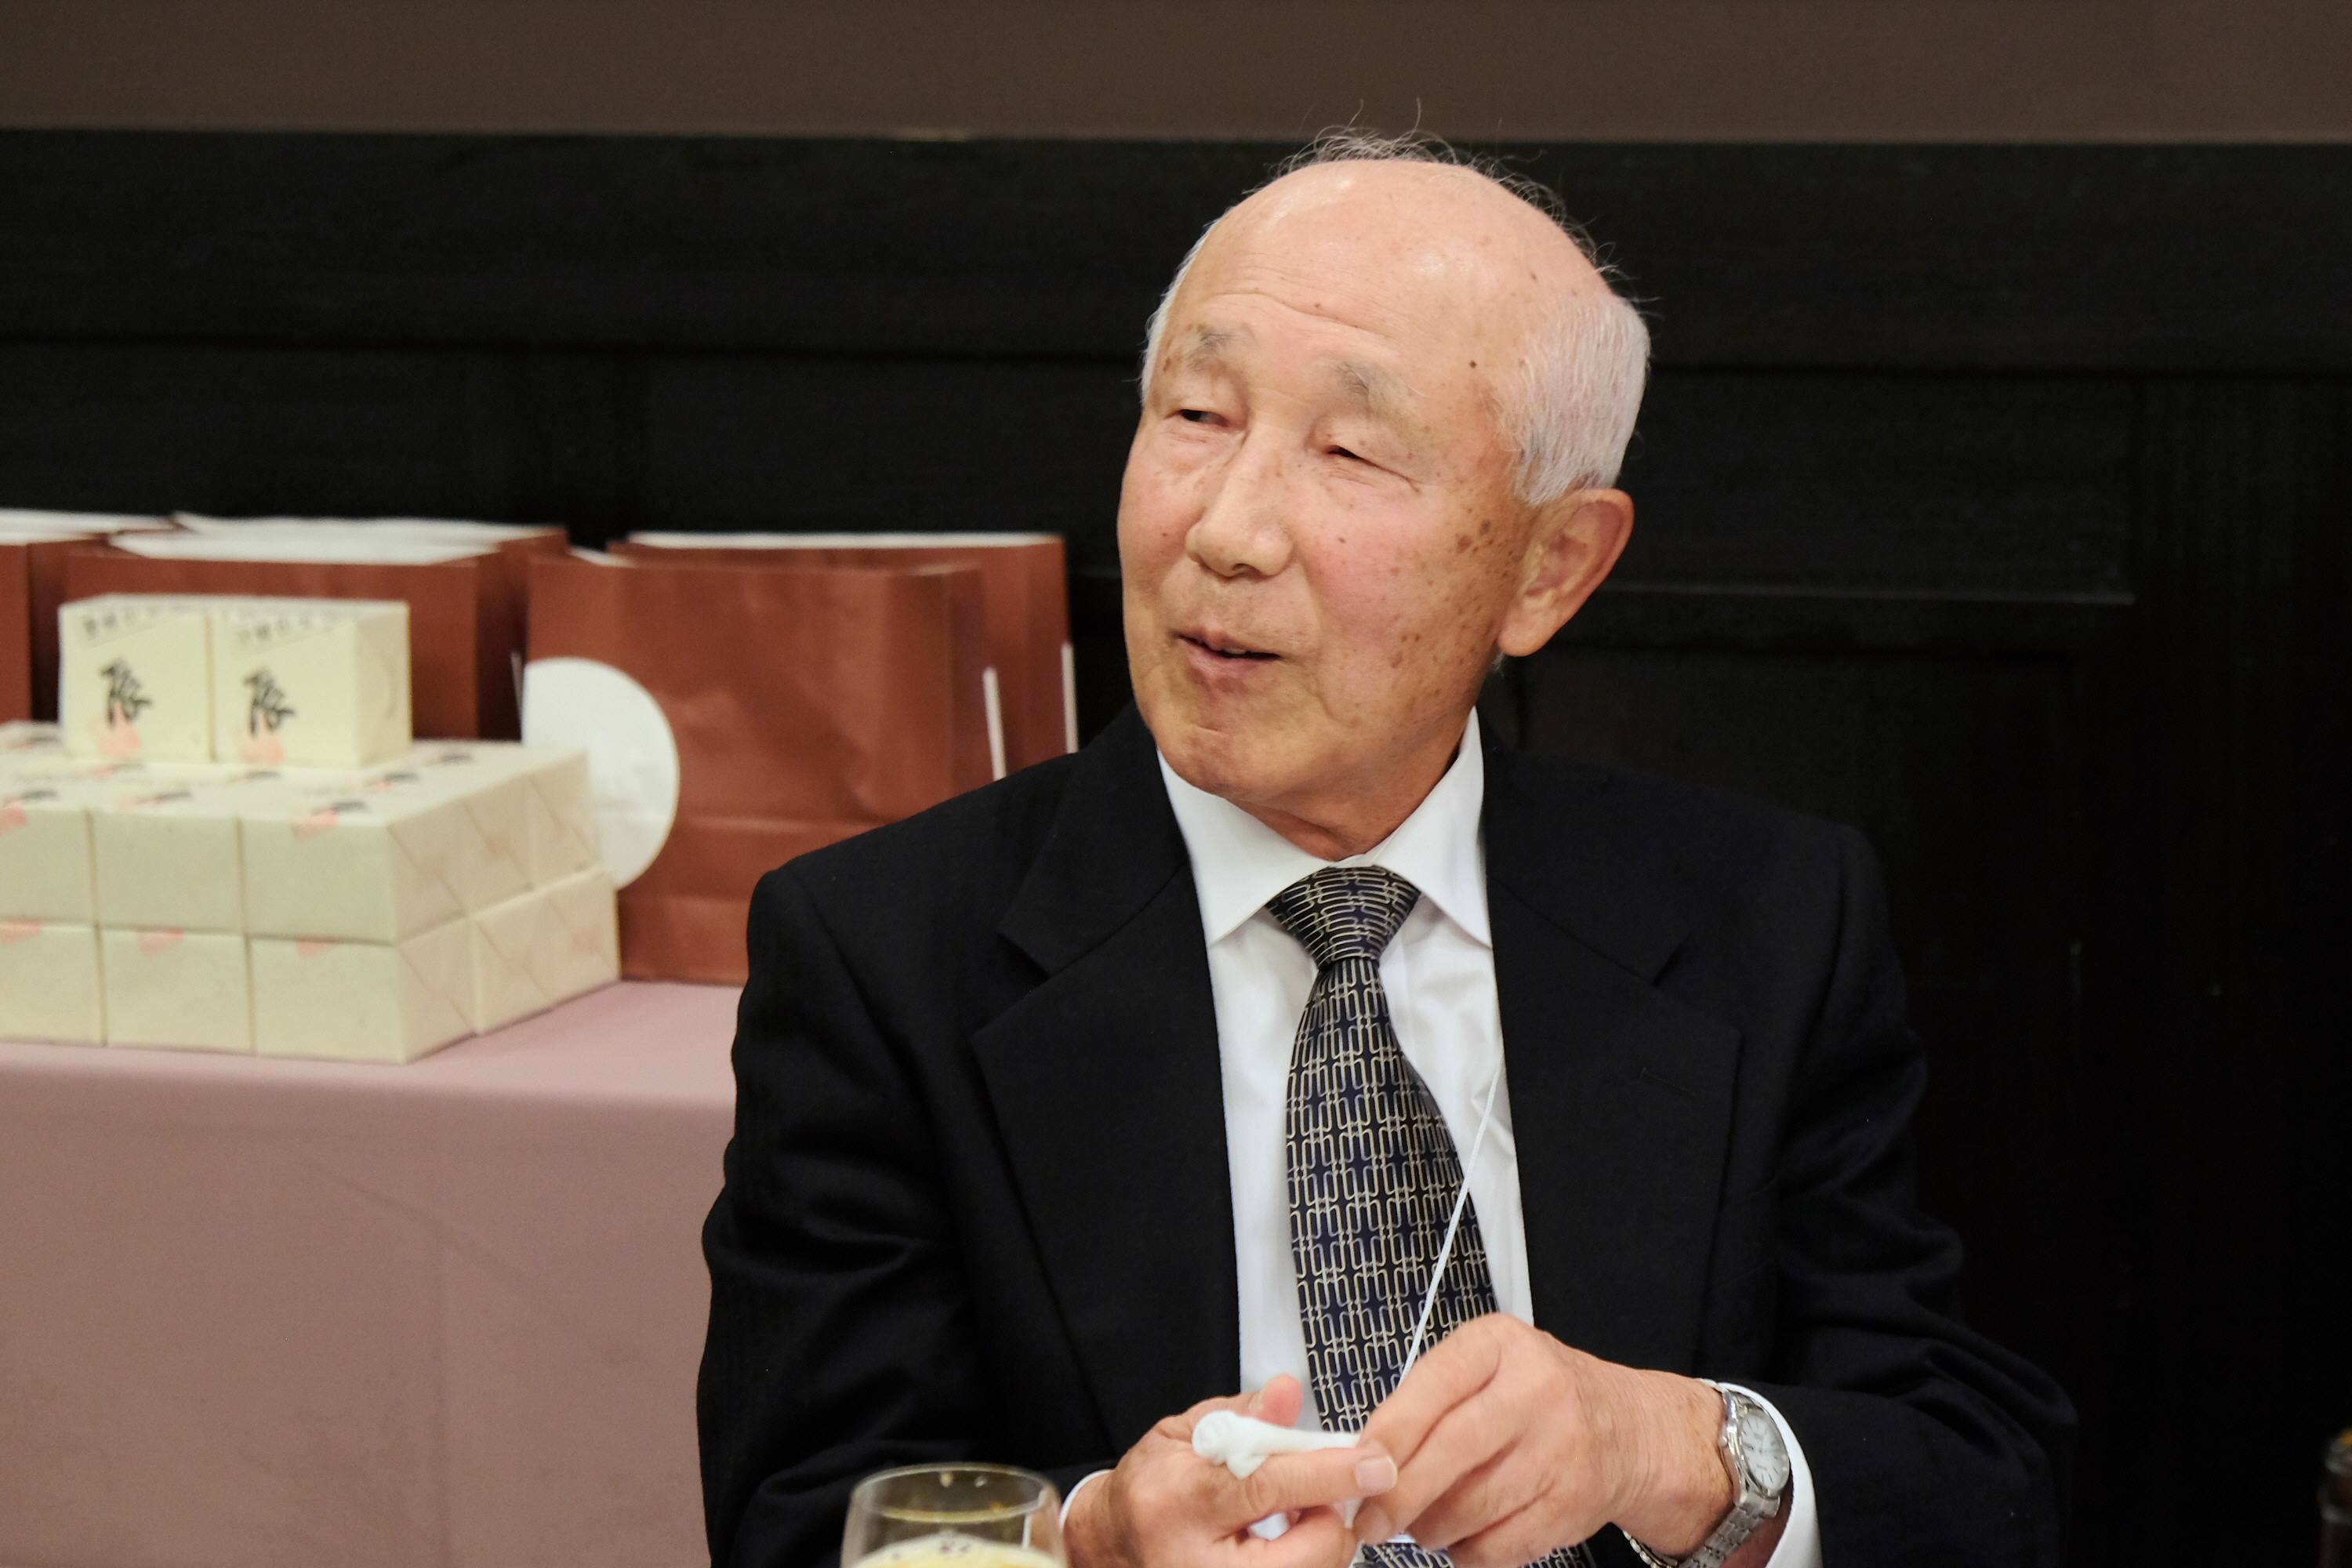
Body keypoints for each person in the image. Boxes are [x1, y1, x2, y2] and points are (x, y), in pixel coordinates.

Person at [698, 134, 2073, 1568]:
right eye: (1197, 415)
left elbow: (1978, 1477)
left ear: (1550, 567)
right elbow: (802, 1524)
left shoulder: (1770, 922)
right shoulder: (882, 957)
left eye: (1350, 451)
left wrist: (1672, 1446)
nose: (1226, 532)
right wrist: (1088, 1542)